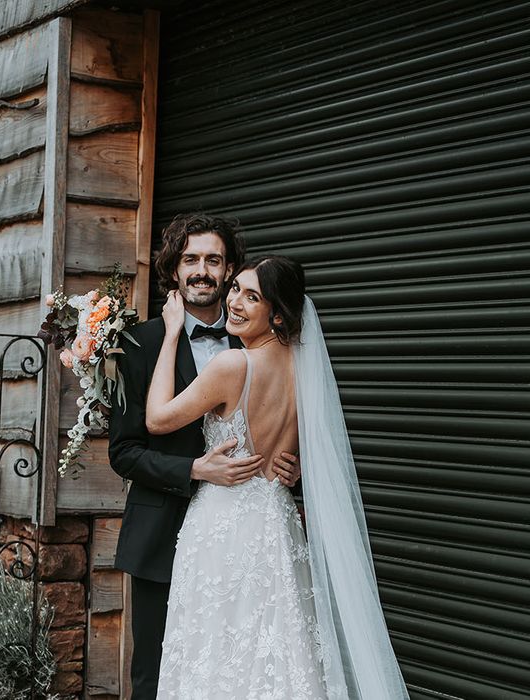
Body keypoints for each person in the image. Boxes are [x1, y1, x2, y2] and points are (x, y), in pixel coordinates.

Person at [146, 255, 409, 699]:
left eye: (253, 297)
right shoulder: (304, 369)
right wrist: (297, 464)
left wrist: (171, 334)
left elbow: (156, 419)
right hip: (277, 523)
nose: (236, 302)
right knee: (278, 654)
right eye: (236, 290)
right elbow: (314, 448)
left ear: (278, 314)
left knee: (216, 655)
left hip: (223, 528)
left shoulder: (233, 366)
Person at [108, 214, 301, 700]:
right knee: (157, 676)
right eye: (190, 259)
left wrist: (294, 467)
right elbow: (125, 452)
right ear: (174, 271)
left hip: (244, 540)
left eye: (213, 260)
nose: (201, 270)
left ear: (229, 270)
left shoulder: (255, 336)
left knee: (241, 670)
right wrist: (194, 468)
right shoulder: (141, 343)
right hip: (161, 537)